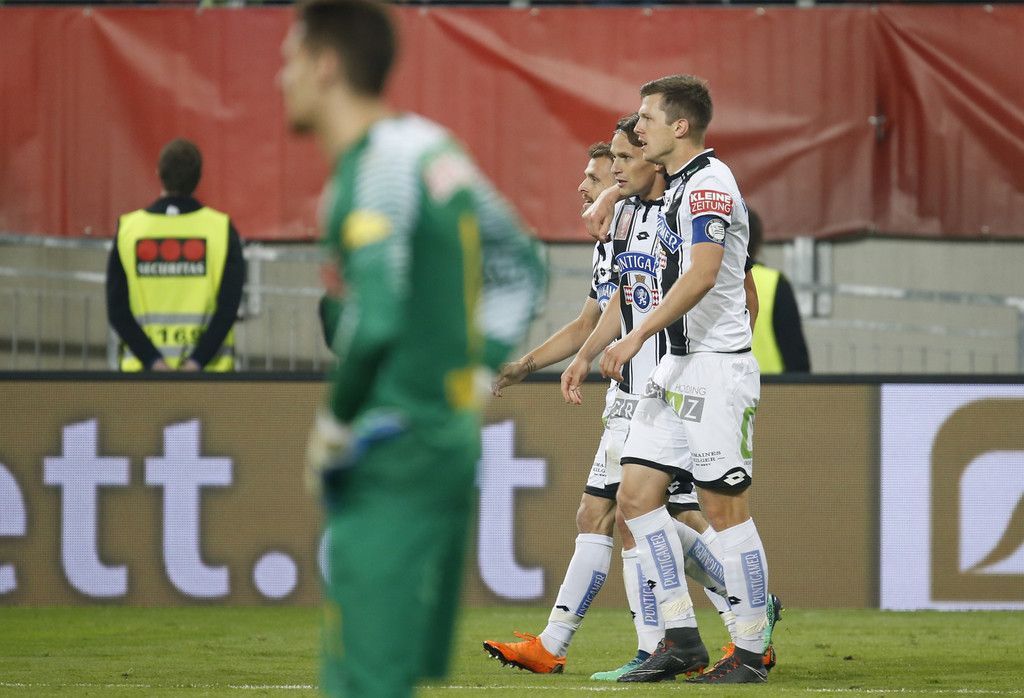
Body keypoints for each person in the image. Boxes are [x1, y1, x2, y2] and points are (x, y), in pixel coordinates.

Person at [279, 2, 544, 697]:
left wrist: (332, 428)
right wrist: (473, 375)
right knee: (387, 671)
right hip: (445, 438)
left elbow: (377, 322)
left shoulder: (373, 172)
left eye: (290, 59)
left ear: (325, 66)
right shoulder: (433, 147)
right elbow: (523, 264)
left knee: (364, 677)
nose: (282, 78)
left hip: (393, 443)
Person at [483, 116, 732, 682]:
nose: (591, 184)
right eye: (604, 169)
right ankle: (615, 641)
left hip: (663, 390)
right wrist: (559, 360)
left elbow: (721, 283)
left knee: (643, 515)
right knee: (619, 515)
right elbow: (608, 308)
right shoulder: (624, 226)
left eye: (608, 169)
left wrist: (613, 195)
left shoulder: (677, 208)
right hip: (629, 393)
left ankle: (729, 610)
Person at [591, 75, 778, 684]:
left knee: (725, 510)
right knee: (634, 500)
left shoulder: (710, 185)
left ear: (680, 126)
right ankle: (680, 638)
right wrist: (606, 196)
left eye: (646, 117)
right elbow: (636, 187)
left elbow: (702, 274)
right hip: (675, 366)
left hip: (715, 368)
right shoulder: (677, 184)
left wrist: (636, 336)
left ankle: (750, 651)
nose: (636, 126)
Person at [106, 138, 244, 371]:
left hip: (141, 377)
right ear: (199, 177)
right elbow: (228, 307)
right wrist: (196, 362)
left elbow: (117, 309)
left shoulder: (130, 229)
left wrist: (154, 361)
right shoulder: (221, 229)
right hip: (210, 377)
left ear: (159, 173)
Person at [747, 208, 811, 374]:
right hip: (771, 386)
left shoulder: (703, 281)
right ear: (758, 243)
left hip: (717, 385)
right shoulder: (774, 283)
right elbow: (796, 355)